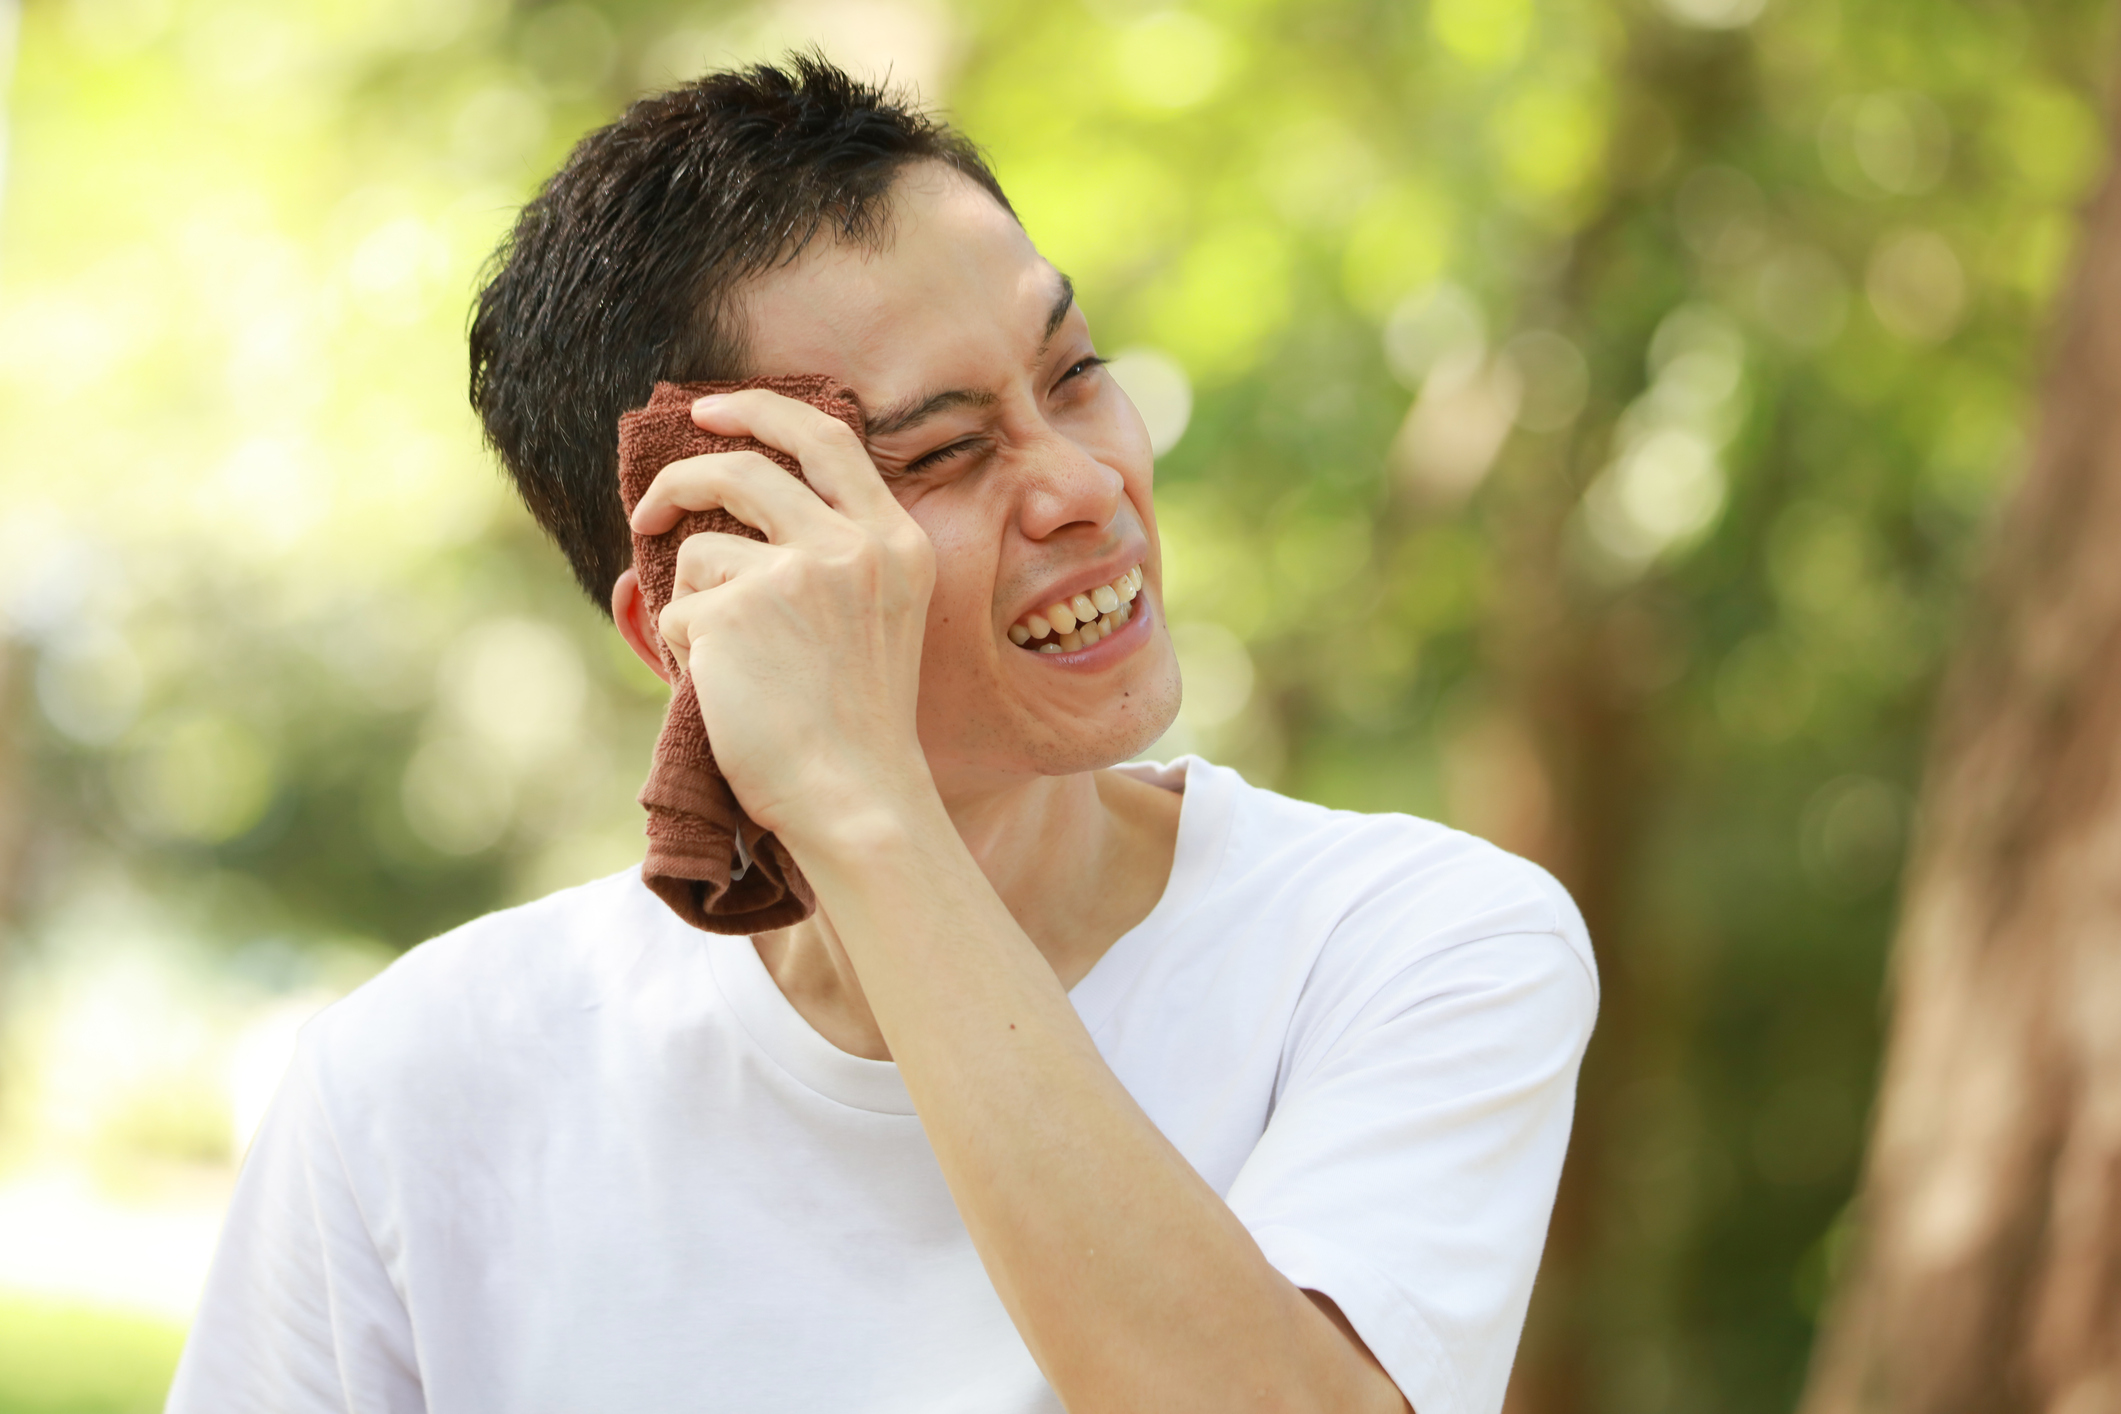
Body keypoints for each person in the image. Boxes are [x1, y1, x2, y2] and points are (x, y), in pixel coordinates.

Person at [167, 55, 1595, 1414]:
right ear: (694, 613)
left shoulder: (1413, 945)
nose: (1083, 483)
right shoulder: (413, 1089)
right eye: (941, 452)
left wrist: (867, 818)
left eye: (1076, 371)